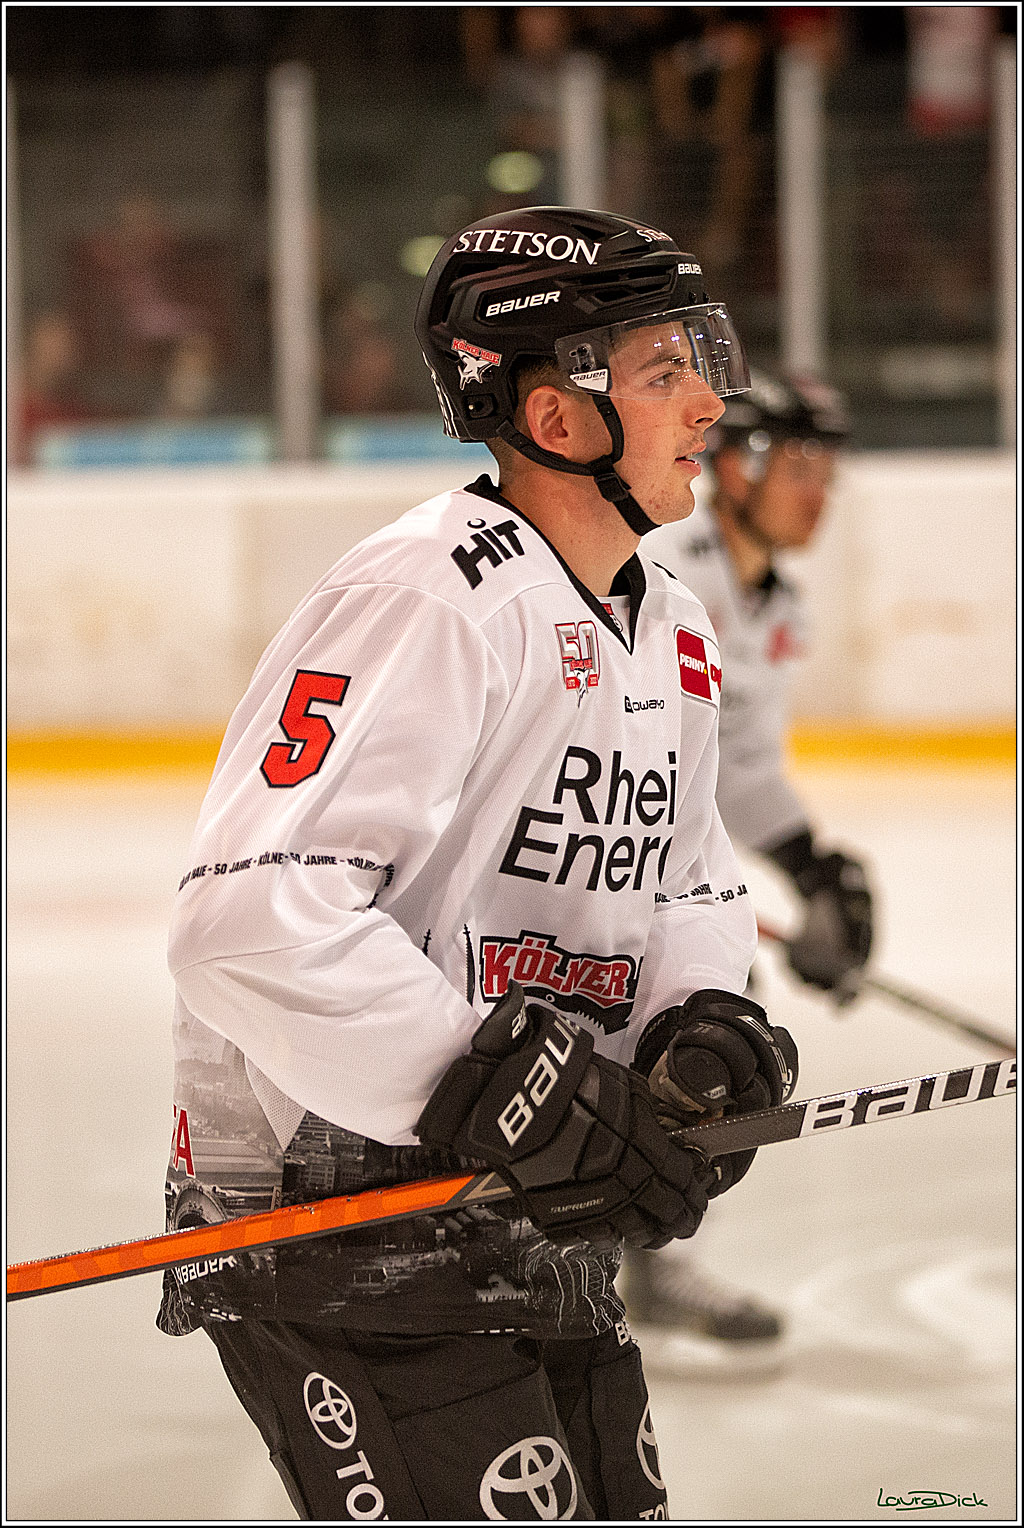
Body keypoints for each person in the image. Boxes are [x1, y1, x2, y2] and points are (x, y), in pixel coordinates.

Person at [158, 207, 798, 1521]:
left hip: (521, 1208)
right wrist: (477, 1083)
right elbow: (250, 919)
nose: (711, 404)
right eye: (667, 371)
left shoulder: (668, 625)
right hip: (338, 1220)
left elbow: (685, 878)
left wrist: (697, 1025)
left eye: (704, 361)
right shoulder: (431, 596)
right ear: (558, 419)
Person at [623, 369, 874, 1366]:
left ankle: (647, 1256)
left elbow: (746, 764)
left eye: (828, 467)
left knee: (717, 1027)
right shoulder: (662, 571)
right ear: (736, 465)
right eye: (800, 464)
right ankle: (588, 1260)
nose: (820, 490)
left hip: (651, 859)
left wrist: (816, 873)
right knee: (697, 1016)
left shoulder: (772, 603)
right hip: (584, 859)